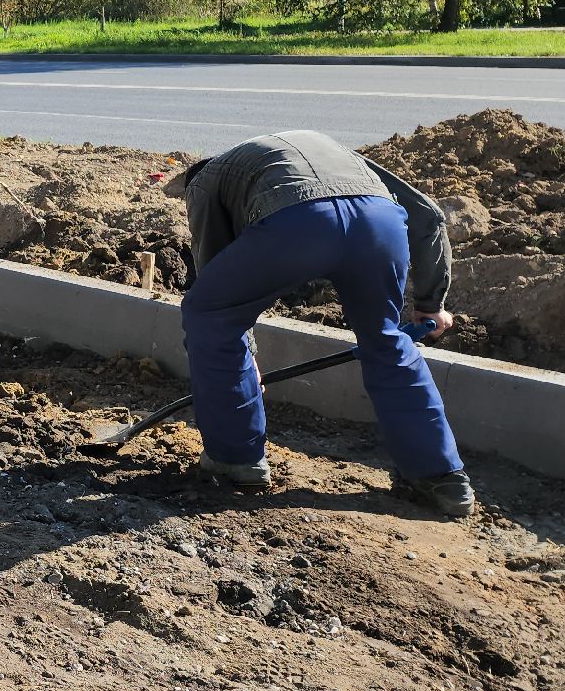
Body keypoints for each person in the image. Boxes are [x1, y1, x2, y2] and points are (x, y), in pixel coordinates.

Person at [164, 130, 473, 516]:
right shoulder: (331, 150)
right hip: (378, 223)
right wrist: (430, 303)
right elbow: (427, 215)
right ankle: (441, 477)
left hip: (299, 225)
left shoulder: (206, 183)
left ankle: (235, 458)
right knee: (385, 338)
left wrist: (243, 350)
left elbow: (219, 288)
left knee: (208, 314)